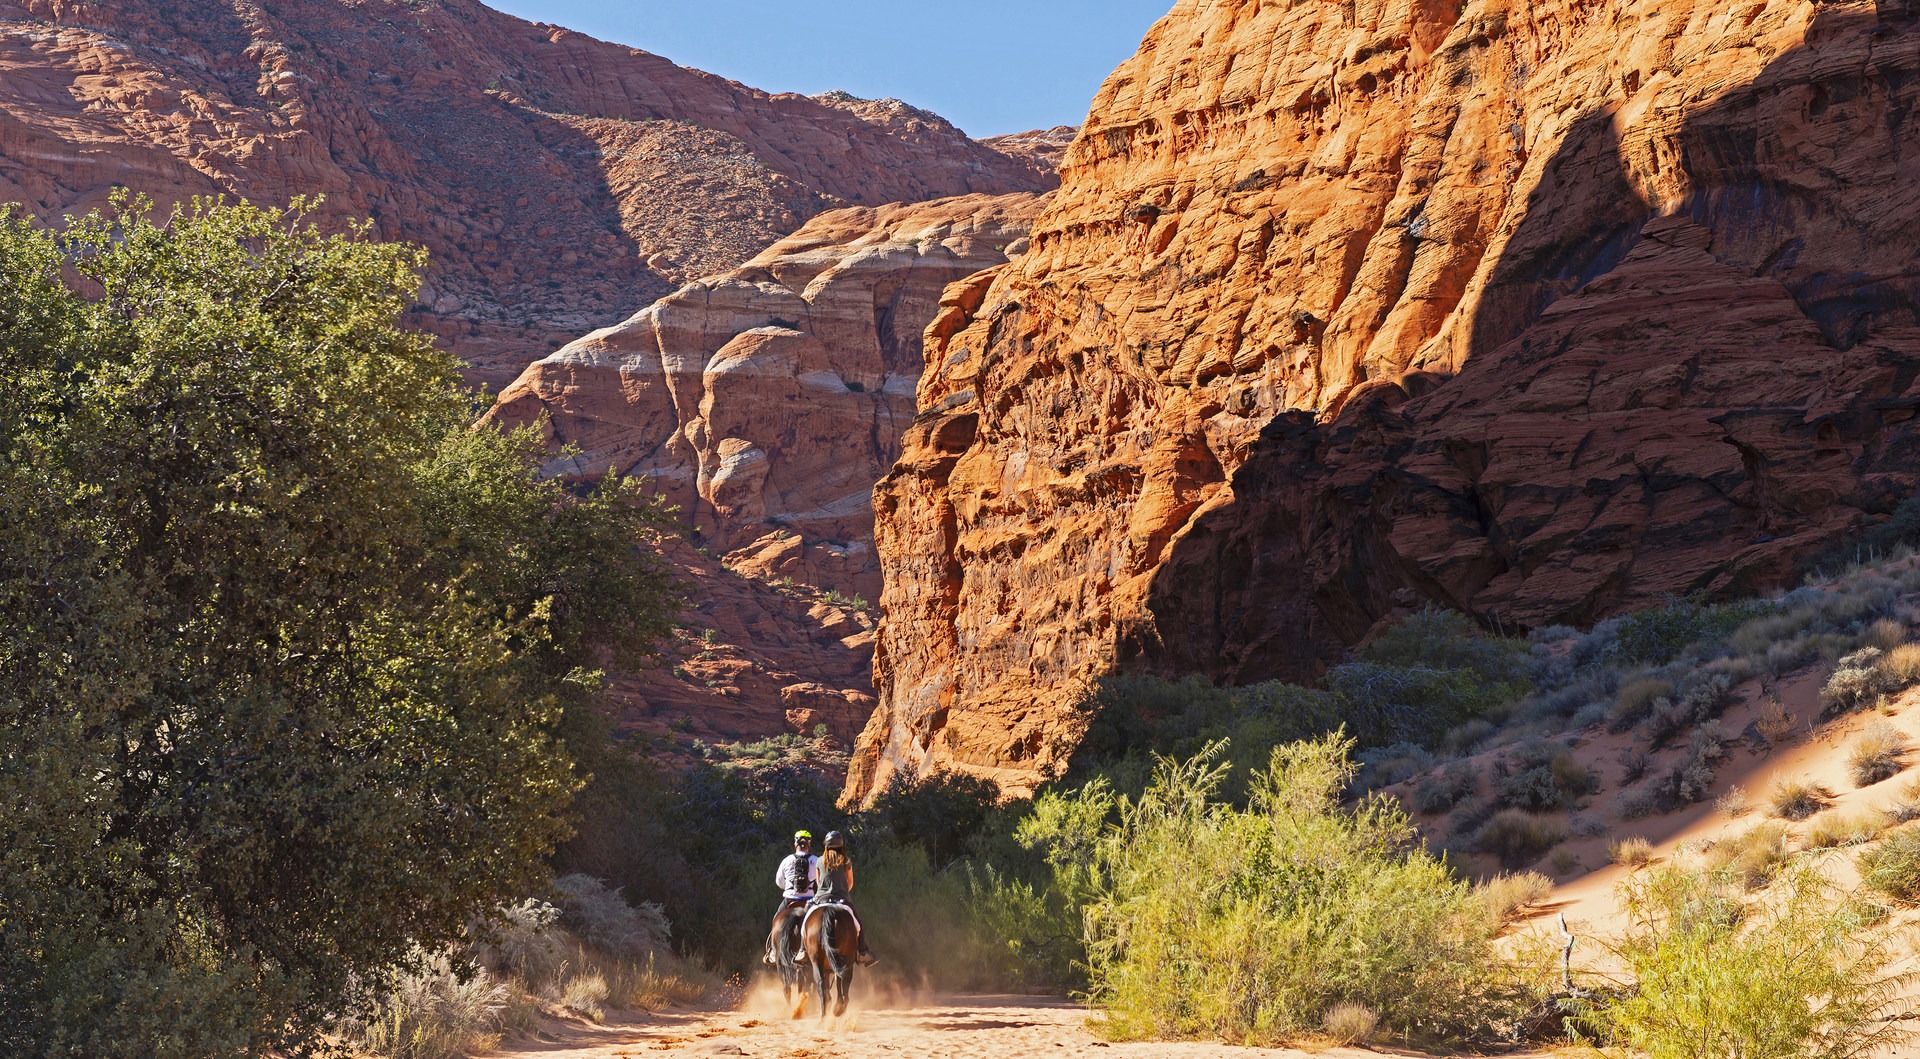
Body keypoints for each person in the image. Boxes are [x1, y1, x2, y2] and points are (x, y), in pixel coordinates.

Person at [812, 831, 876, 965]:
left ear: (826, 845)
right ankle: (863, 952)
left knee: (806, 921)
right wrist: (843, 891)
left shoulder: (819, 860)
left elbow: (818, 883)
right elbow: (851, 882)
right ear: (841, 845)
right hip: (841, 898)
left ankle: (802, 950)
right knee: (857, 924)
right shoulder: (846, 860)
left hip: (821, 899)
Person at [764, 829, 818, 965]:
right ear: (809, 844)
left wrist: (790, 889)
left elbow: (779, 882)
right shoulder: (816, 861)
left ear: (795, 844)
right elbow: (821, 882)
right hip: (809, 901)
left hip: (789, 900)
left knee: (776, 919)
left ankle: (772, 952)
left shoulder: (786, 860)